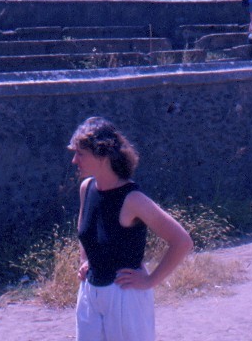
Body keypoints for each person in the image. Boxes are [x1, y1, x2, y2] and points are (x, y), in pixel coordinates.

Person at [69, 117, 193, 341]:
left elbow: (182, 241)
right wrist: (85, 261)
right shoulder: (86, 189)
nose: (74, 160)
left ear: (102, 155)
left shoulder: (132, 199)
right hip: (90, 294)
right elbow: (86, 234)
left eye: (80, 153)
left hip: (125, 296)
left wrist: (149, 281)